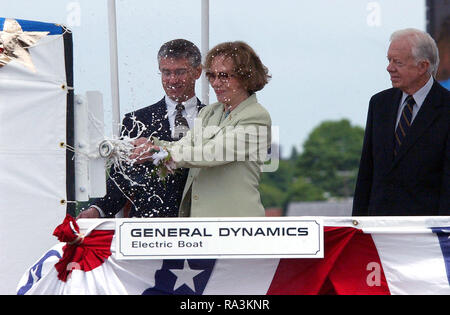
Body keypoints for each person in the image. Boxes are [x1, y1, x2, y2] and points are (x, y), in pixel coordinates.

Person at [132, 41, 272, 217]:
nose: (215, 83)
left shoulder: (257, 116)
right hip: (200, 225)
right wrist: (150, 144)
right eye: (212, 76)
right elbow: (185, 144)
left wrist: (160, 152)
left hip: (237, 225)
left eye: (224, 76)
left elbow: (212, 153)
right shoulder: (209, 112)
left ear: (246, 77)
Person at [77, 39, 204, 218]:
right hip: (149, 230)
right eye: (166, 72)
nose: (172, 80)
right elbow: (121, 179)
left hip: (203, 228)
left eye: (180, 72)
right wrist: (97, 210)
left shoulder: (214, 118)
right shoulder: (136, 121)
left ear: (197, 71)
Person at [353, 28, 450, 216]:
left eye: (397, 62)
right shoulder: (379, 104)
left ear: (422, 66)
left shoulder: (446, 108)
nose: (389, 68)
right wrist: (359, 228)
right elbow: (366, 174)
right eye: (389, 60)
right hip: (378, 229)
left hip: (426, 233)